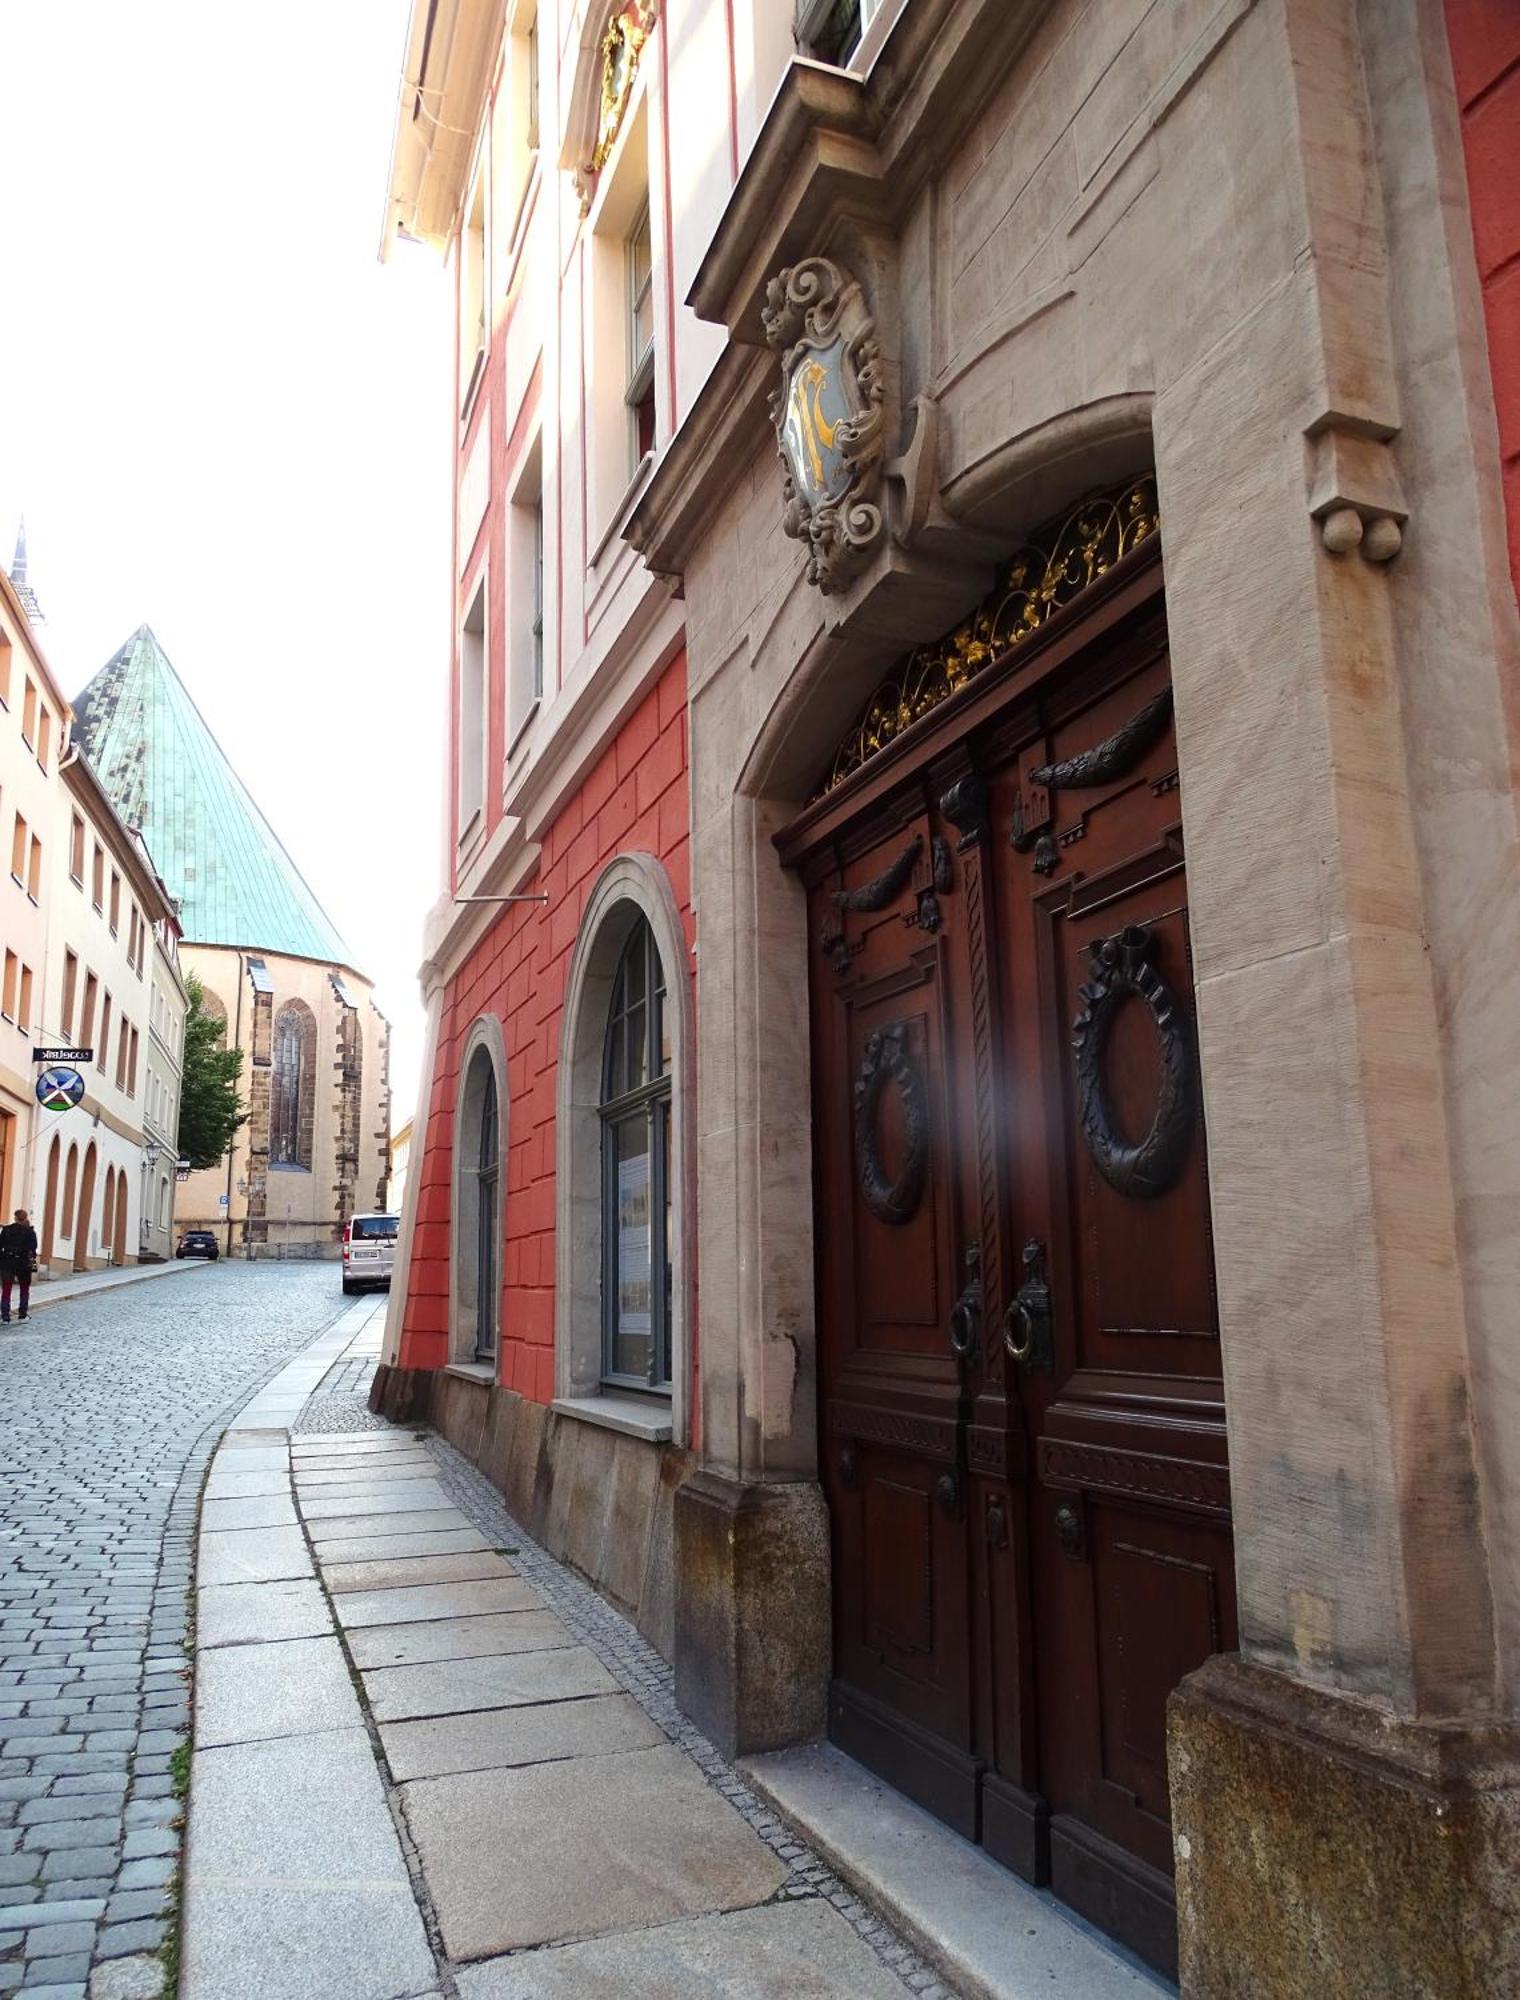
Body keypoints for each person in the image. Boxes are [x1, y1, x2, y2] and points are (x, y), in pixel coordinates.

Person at [0, 1209, 38, 1324]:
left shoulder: (6, 1230)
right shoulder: (30, 1232)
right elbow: (33, 1248)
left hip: (7, 1262)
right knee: (24, 1289)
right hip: (23, 1262)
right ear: (26, 1218)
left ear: (15, 1218)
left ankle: (5, 1316)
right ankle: (22, 1315)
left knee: (6, 1289)